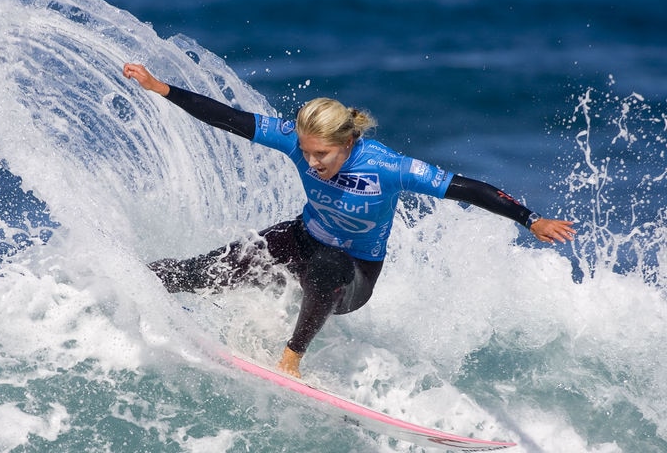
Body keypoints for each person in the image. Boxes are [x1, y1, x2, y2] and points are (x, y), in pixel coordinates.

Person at [123, 63, 576, 378]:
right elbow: (228, 118)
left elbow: (469, 188)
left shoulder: (388, 166)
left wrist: (529, 219)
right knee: (206, 269)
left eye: (321, 154)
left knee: (326, 266)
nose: (311, 161)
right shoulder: (295, 140)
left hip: (353, 274)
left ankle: (290, 361)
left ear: (347, 142)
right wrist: (162, 88)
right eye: (305, 151)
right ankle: (124, 281)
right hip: (300, 240)